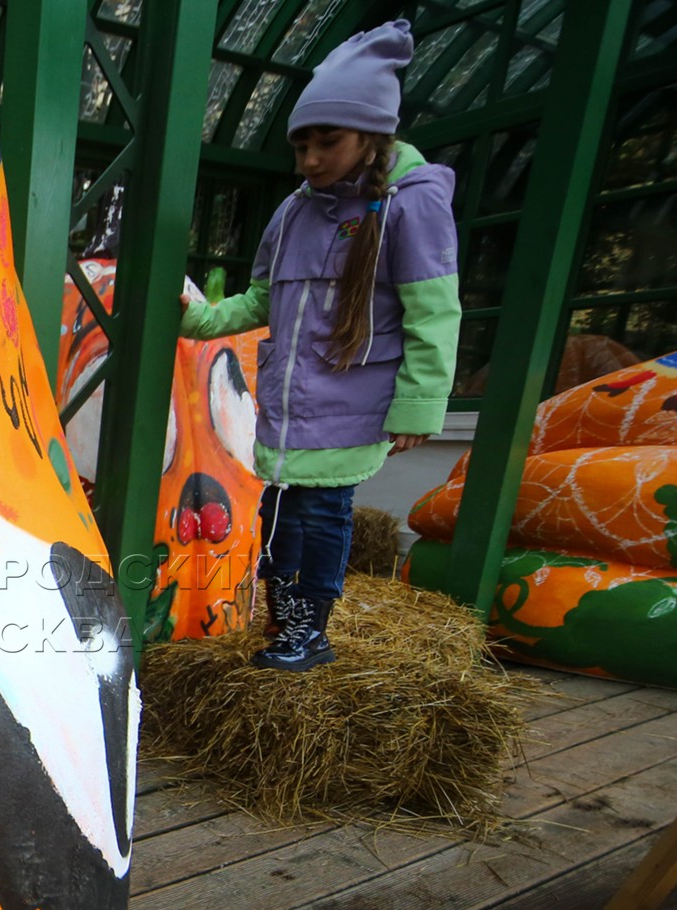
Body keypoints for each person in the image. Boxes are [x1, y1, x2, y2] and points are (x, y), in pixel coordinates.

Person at [181, 19, 461, 670]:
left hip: (348, 404)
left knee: (320, 517)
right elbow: (260, 300)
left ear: (373, 135)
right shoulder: (294, 211)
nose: (310, 159)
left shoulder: (411, 204)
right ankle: (287, 626)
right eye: (301, 144)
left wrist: (418, 407)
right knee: (279, 519)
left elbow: (434, 313)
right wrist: (198, 319)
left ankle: (310, 633)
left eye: (327, 141)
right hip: (287, 407)